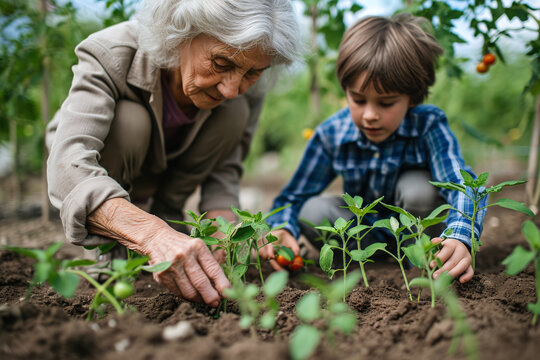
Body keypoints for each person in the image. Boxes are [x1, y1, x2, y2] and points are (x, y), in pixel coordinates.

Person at [46, 0, 301, 307]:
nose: (232, 89)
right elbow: (67, 165)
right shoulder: (111, 54)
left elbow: (225, 169)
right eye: (221, 64)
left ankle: (169, 220)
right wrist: (152, 235)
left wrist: (227, 232)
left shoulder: (243, 89)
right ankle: (110, 255)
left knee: (234, 113)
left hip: (167, 182)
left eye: (253, 72)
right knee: (131, 122)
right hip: (107, 166)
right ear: (180, 34)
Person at [260, 13, 487, 284]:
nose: (369, 115)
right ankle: (367, 267)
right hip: (364, 238)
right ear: (345, 90)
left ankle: (431, 260)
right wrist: (282, 229)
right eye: (358, 99)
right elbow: (292, 196)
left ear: (411, 98)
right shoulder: (332, 134)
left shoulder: (427, 126)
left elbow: (463, 185)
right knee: (310, 211)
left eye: (386, 103)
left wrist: (461, 237)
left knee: (418, 189)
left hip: (420, 233)